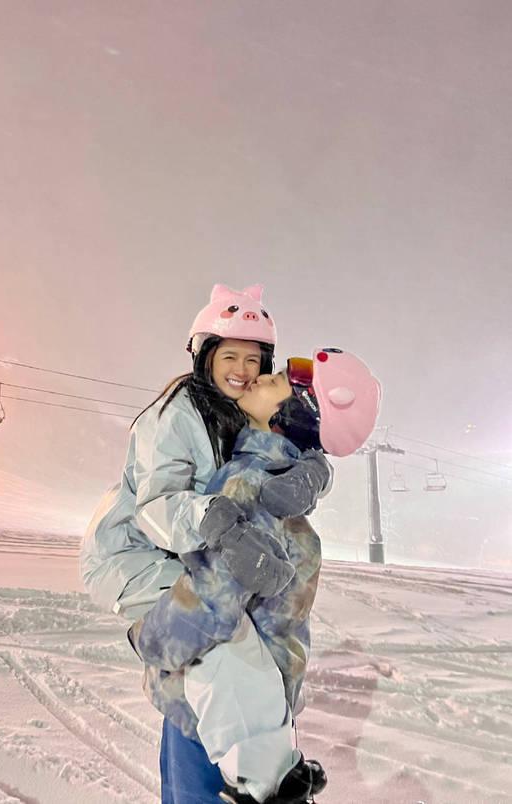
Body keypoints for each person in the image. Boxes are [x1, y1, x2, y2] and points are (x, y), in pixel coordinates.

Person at [80, 284, 332, 803]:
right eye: (229, 356)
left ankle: (262, 767)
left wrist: (311, 471)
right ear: (204, 358)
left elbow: (281, 465)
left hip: (204, 554)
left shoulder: (248, 410)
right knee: (222, 644)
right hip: (141, 553)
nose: (242, 369)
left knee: (245, 651)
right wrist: (219, 522)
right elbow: (157, 503)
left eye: (254, 359)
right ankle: (260, 780)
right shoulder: (179, 411)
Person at [128, 349, 381, 804]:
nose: (261, 379)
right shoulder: (284, 478)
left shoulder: (248, 480)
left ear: (290, 415)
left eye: (278, 382)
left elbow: (214, 597)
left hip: (217, 710)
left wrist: (151, 639)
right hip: (259, 710)